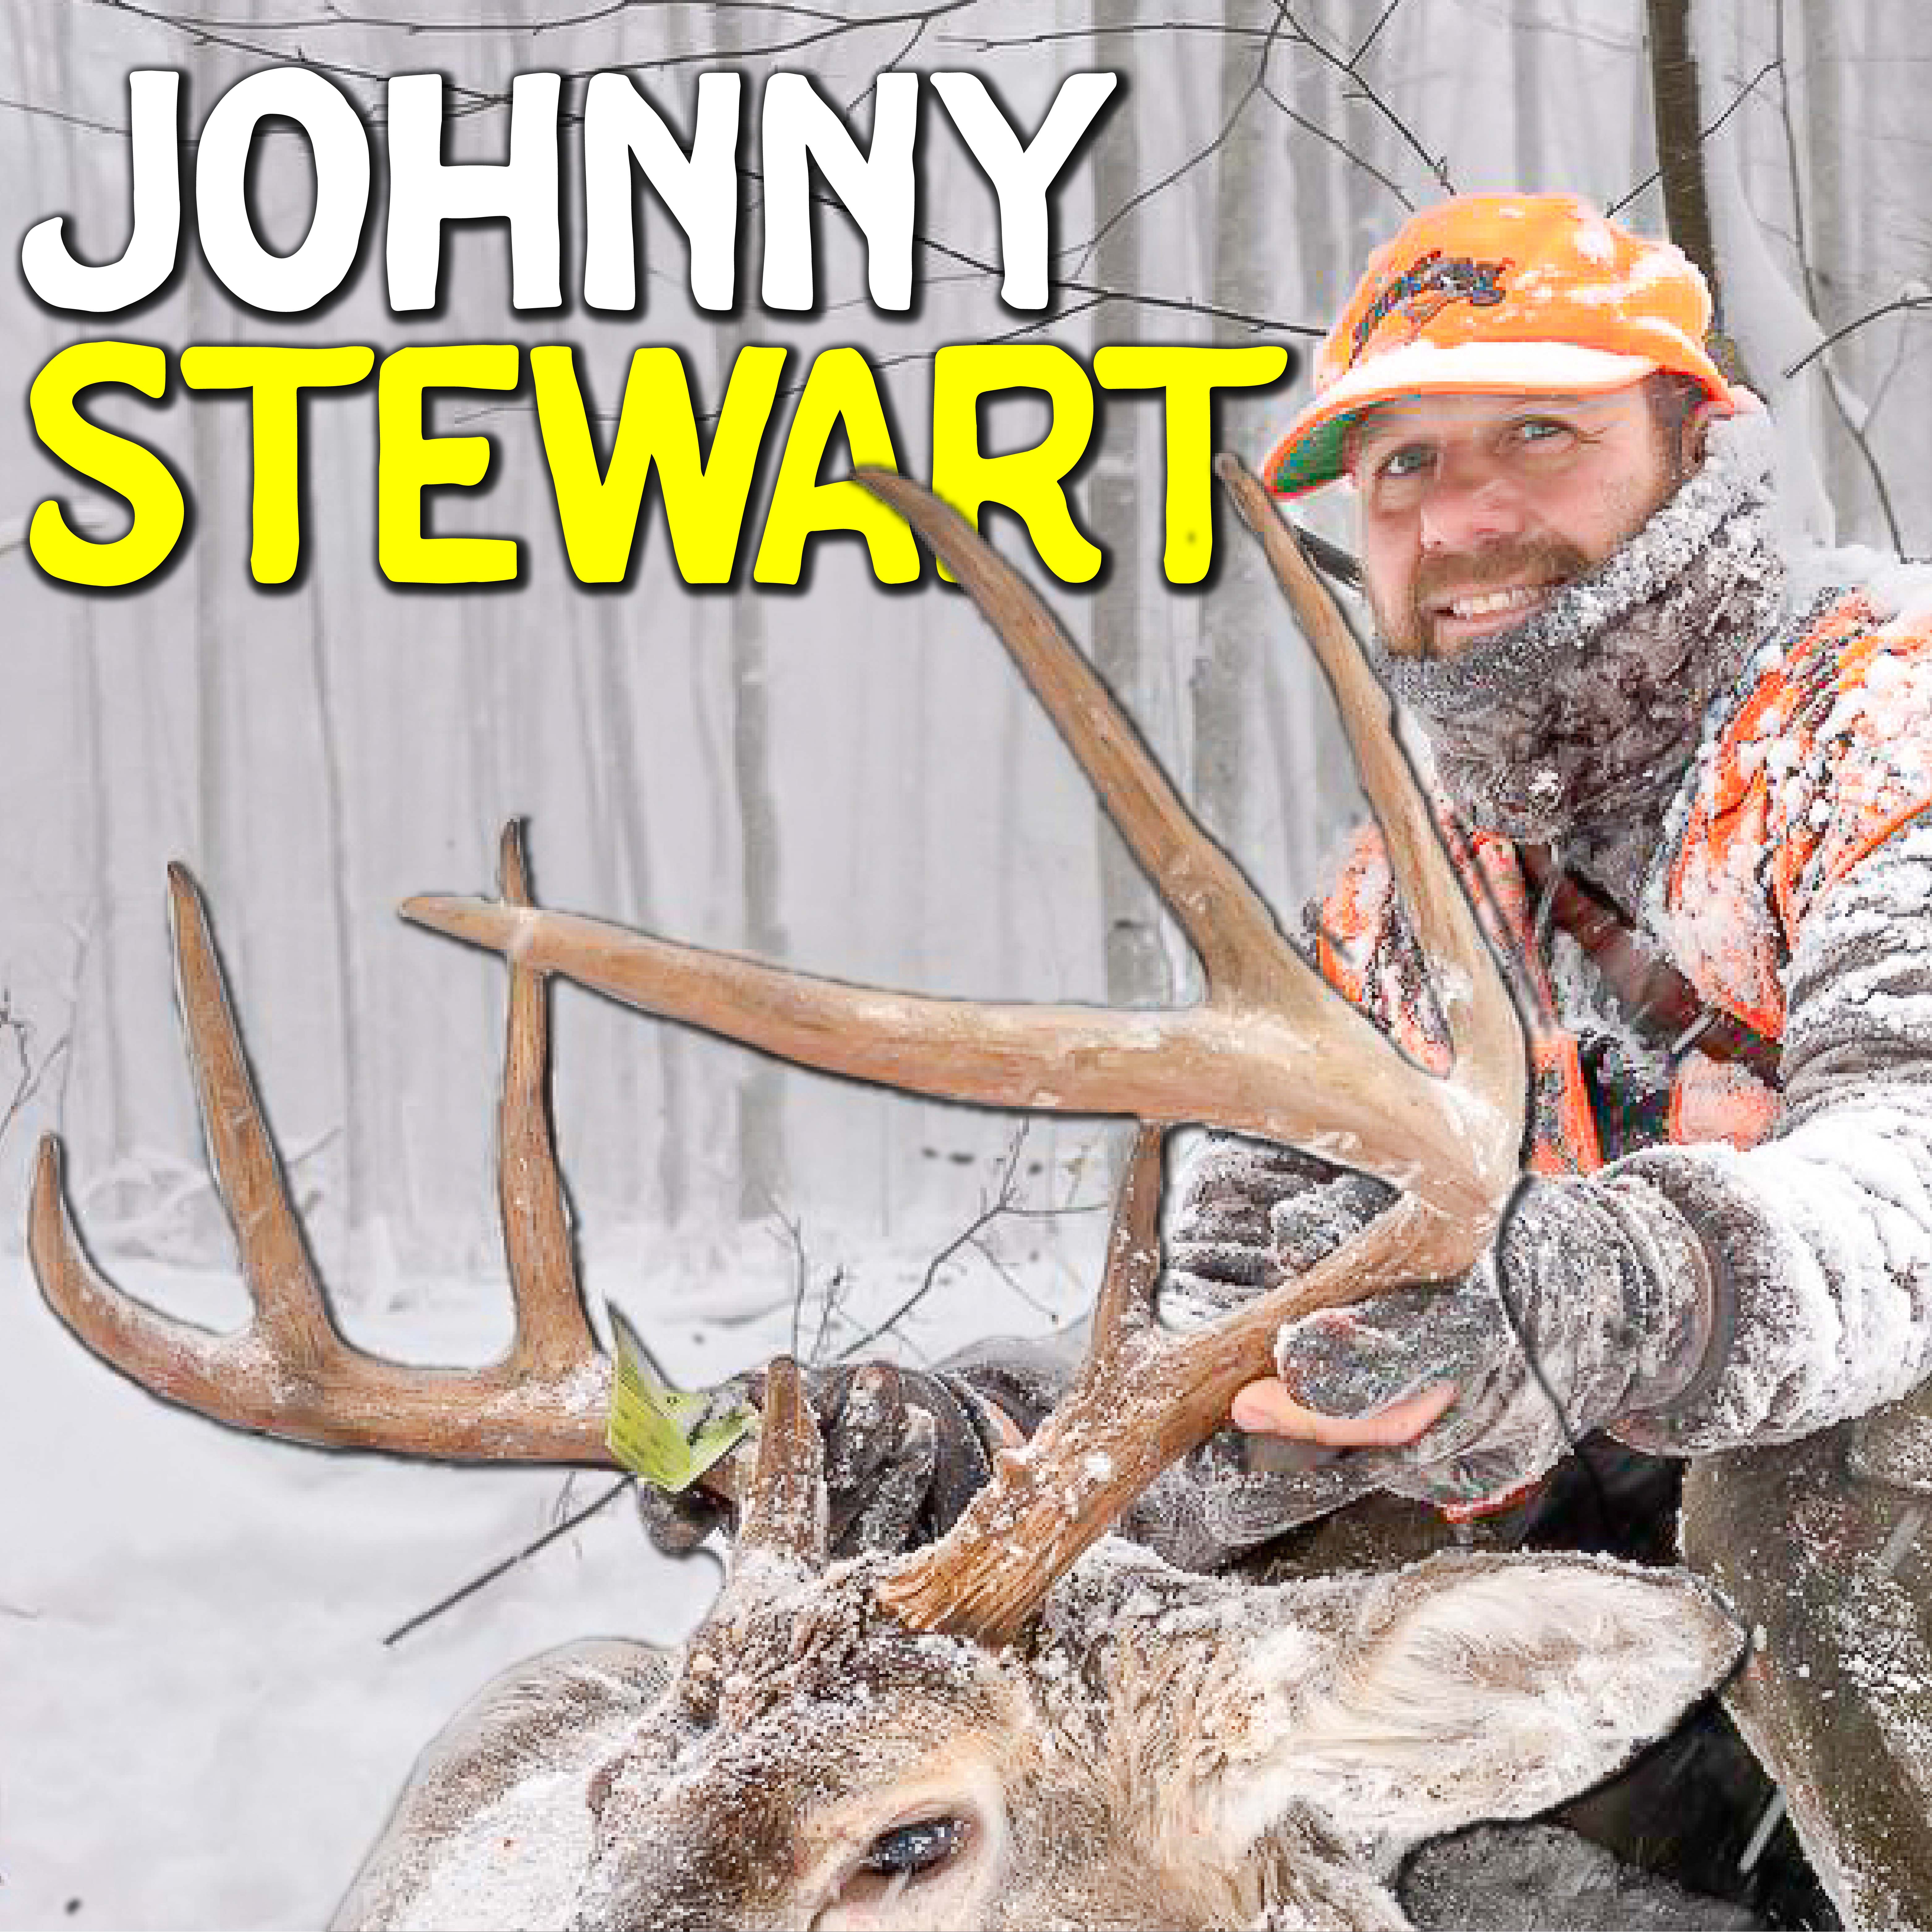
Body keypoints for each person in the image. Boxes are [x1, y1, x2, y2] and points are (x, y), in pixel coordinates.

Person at [648, 194, 1932, 1921]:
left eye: (1538, 434)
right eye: (1403, 467)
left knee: (1813, 1494)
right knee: (1225, 1639)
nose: (1459, 515)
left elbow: (1912, 1177)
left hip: (1846, 1542)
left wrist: (1596, 1295)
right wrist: (960, 1452)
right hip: (1684, 1624)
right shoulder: (1408, 900)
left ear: (1698, 444)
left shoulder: (1883, 716)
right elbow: (1237, 1346)